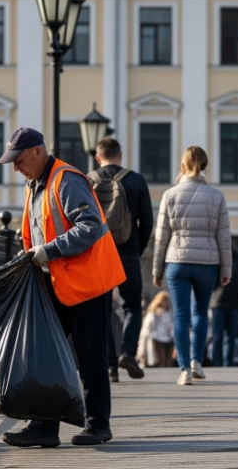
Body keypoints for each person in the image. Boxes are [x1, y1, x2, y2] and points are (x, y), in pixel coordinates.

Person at [0, 127, 125, 448]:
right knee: (46, 355)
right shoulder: (36, 184)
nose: (15, 167)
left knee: (90, 356)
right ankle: (44, 425)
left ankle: (98, 425)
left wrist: (48, 251)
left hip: (86, 284)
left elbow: (90, 225)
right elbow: (38, 231)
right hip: (56, 281)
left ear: (38, 152)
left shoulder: (66, 179)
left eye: (19, 160)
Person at [153, 146, 232, 386]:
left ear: (183, 165)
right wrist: (226, 269)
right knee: (200, 313)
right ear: (205, 165)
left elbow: (161, 236)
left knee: (180, 315)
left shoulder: (170, 194)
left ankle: (184, 369)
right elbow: (224, 236)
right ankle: (198, 361)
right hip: (206, 262)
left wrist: (157, 269)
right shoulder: (216, 196)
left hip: (176, 260)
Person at [88, 136, 154, 382]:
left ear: (98, 157)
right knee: (132, 306)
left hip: (98, 253)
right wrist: (137, 247)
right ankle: (127, 352)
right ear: (120, 155)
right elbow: (147, 221)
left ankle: (109, 366)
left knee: (102, 309)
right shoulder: (136, 180)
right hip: (128, 251)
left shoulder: (88, 180)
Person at [208, 249, 238, 367]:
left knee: (217, 337)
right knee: (231, 338)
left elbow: (210, 282)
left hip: (218, 303)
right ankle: (228, 365)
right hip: (234, 304)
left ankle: (217, 364)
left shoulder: (217, 259)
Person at [138, 291, 175, 368]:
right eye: (163, 301)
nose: (165, 303)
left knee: (168, 363)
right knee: (161, 362)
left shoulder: (170, 313)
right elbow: (146, 331)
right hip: (157, 339)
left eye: (166, 301)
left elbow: (172, 326)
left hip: (169, 339)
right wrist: (141, 349)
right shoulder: (153, 314)